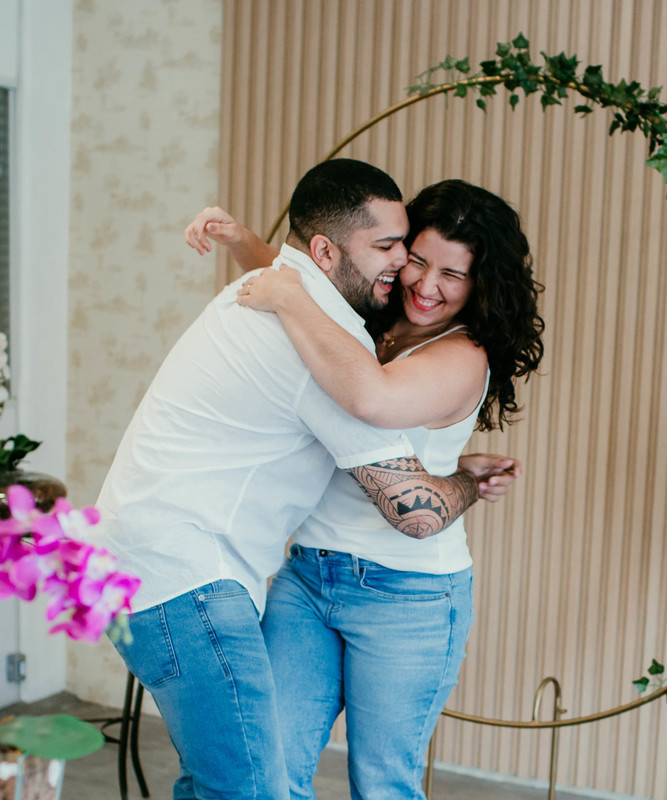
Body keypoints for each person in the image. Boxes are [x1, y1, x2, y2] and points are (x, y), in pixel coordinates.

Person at [95, 160, 518, 800]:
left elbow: (387, 437)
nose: (420, 280)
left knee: (377, 786)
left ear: (480, 283)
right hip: (306, 576)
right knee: (264, 778)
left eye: (451, 273)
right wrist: (253, 253)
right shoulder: (355, 318)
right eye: (406, 255)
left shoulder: (448, 352)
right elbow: (320, 281)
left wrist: (463, 479)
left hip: (407, 593)